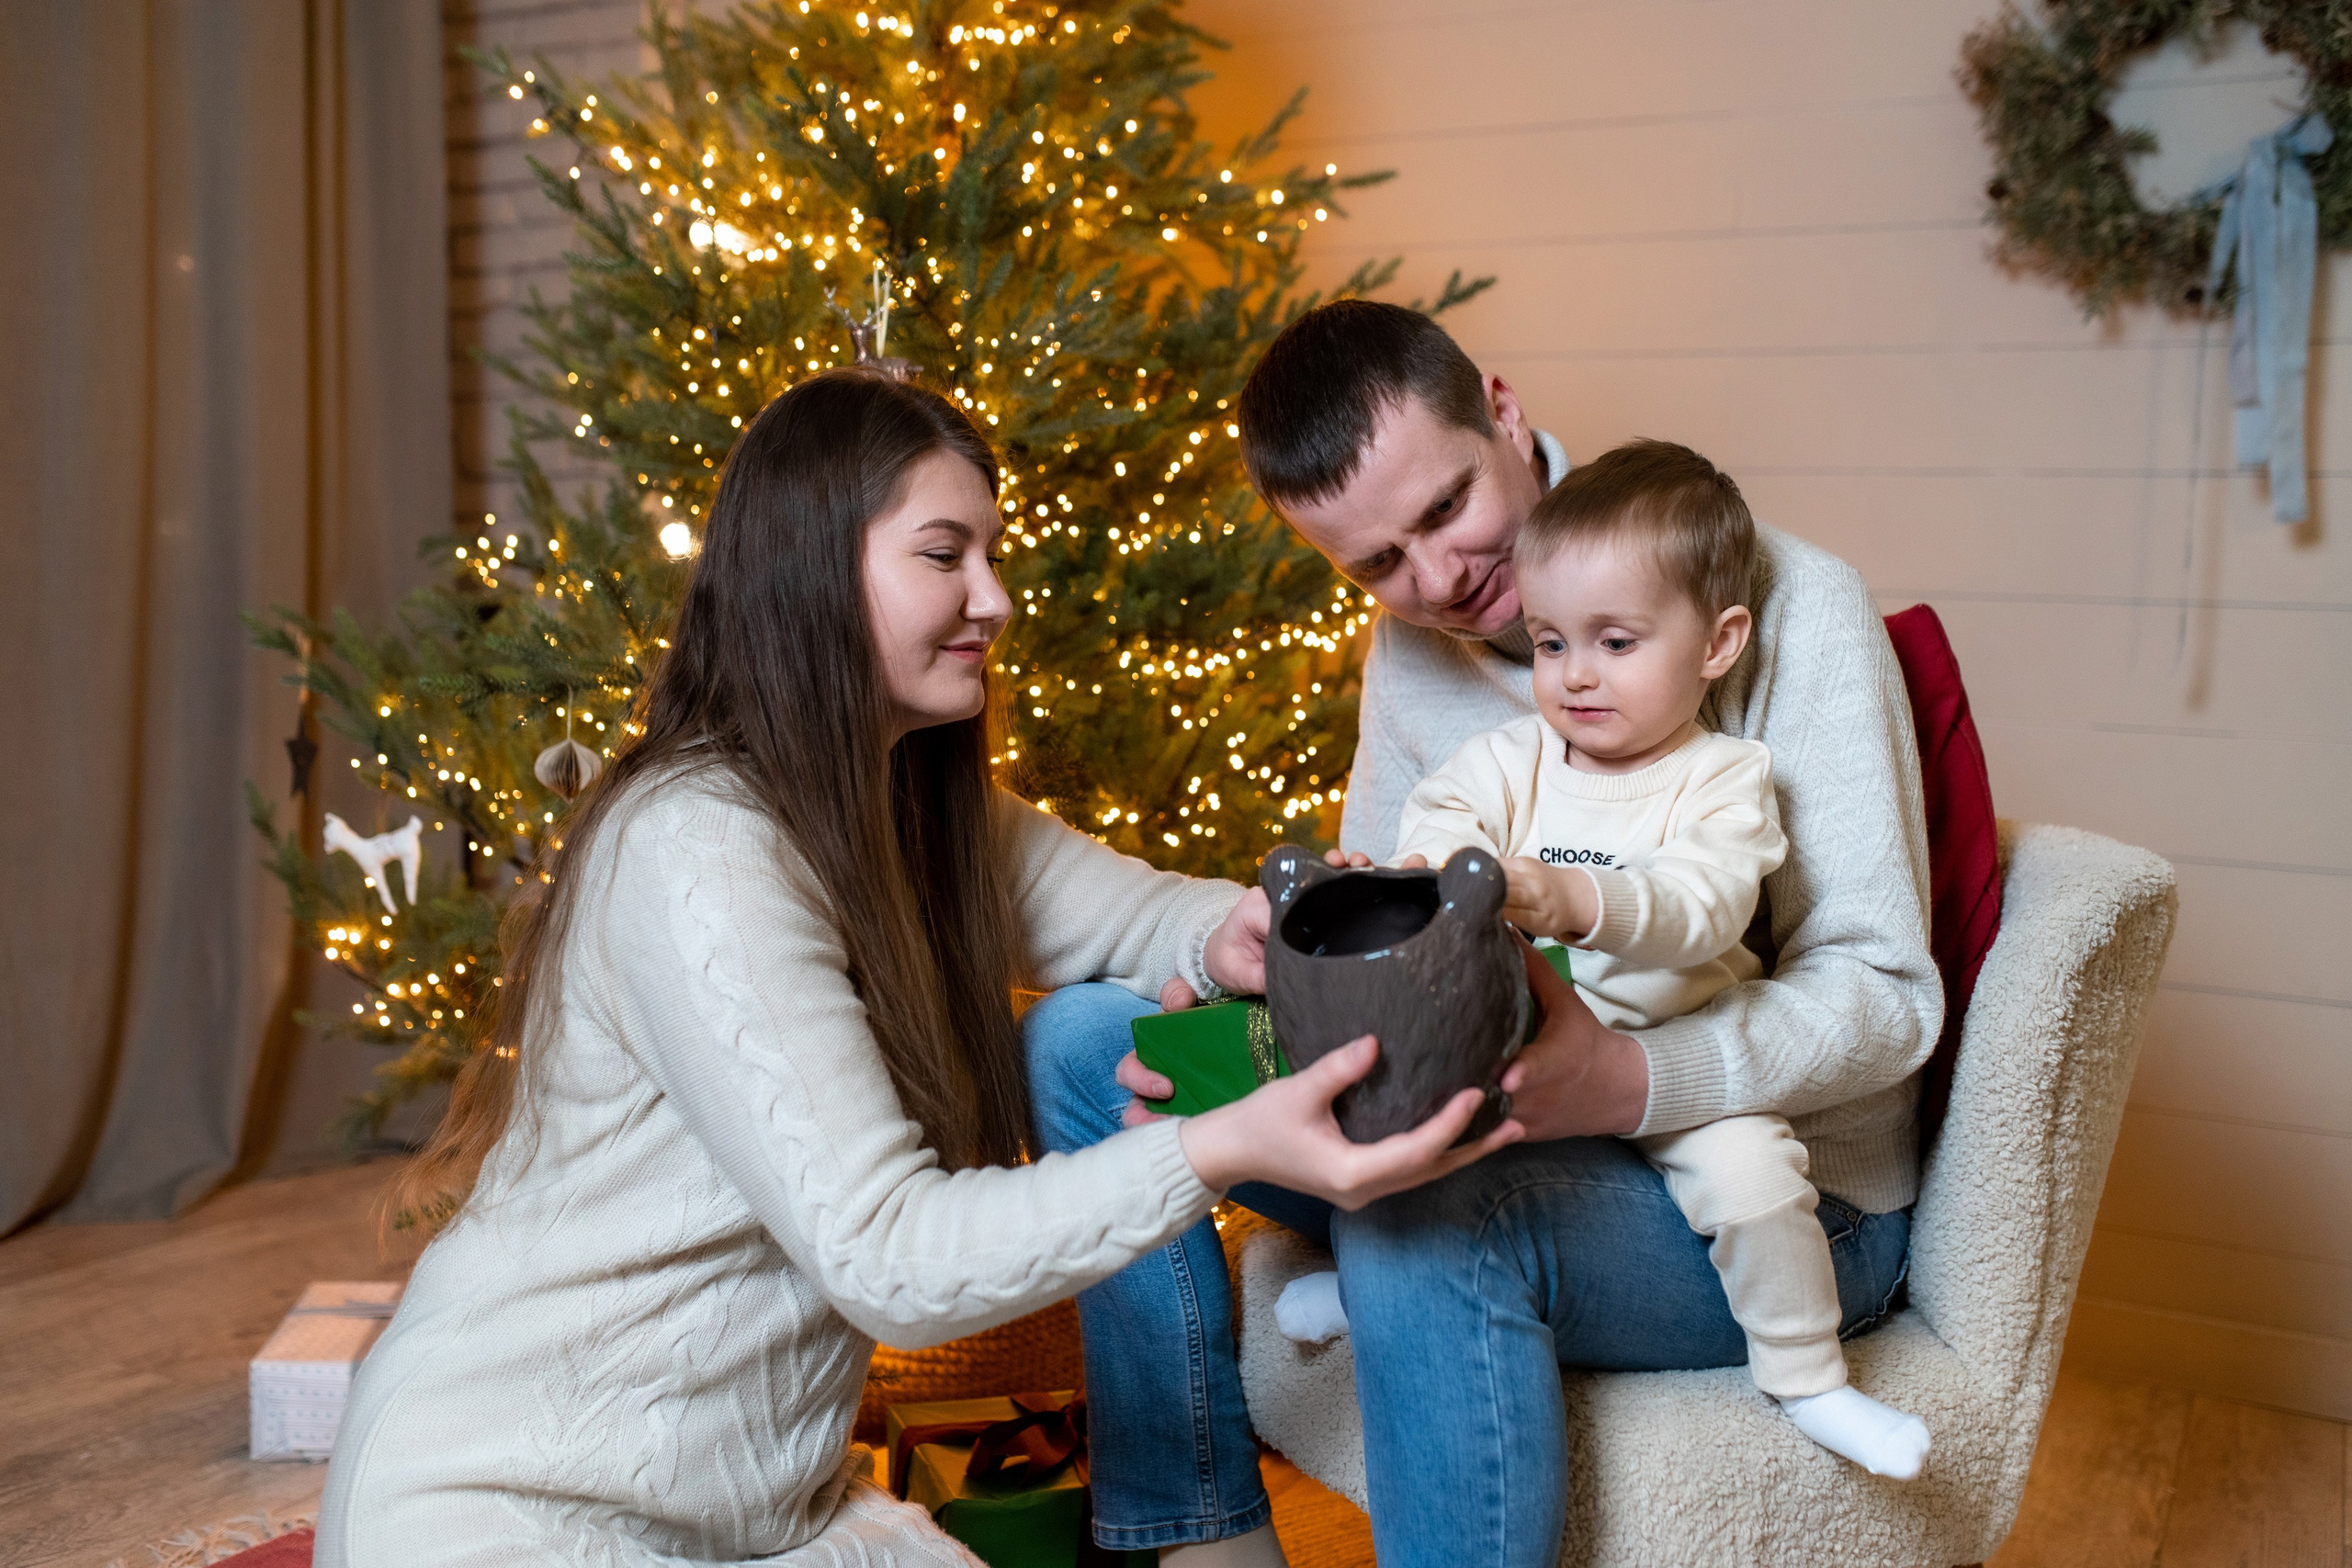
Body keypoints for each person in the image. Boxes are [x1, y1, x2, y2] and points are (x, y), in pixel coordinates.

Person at [314, 369, 1518, 1568]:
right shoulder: (696, 845)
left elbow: (1144, 913)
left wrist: (1247, 931)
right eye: (945, 555)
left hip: (769, 1518)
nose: (994, 599)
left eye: (992, 555)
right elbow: (889, 1258)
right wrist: (1215, 1147)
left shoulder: (905, 800)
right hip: (506, 1507)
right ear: (809, 567)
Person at [1026, 303, 1940, 1566]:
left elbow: (1886, 996)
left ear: (1502, 413)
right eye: (1377, 564)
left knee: (1422, 1219)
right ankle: (1204, 1544)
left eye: (1447, 506)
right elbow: (1398, 927)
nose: (1438, 579)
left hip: (1773, 1189)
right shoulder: (1412, 650)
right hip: (1497, 1110)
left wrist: (1627, 1079)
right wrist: (1274, 996)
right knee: (1085, 1042)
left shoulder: (1784, 604)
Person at [1273, 437, 1931, 1481]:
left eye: (1615, 643)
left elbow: (1703, 908)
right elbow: (1441, 817)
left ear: (1717, 645)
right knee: (1417, 1143)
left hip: (1679, 1078)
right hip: (1531, 1072)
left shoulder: (1725, 778)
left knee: (1753, 1180)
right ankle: (1371, 1289)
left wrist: (1573, 899)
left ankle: (1809, 1379)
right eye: (1548, 643)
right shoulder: (1512, 757)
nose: (1575, 674)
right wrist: (1418, 873)